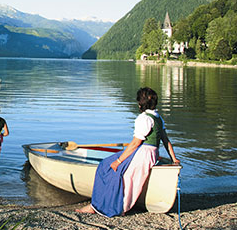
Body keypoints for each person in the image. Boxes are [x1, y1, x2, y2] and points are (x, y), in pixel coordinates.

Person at [76, 87, 180, 216]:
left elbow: (135, 143)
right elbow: (166, 141)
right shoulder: (158, 118)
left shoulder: (144, 119)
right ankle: (106, 204)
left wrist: (118, 161)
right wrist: (174, 159)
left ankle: (105, 206)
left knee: (107, 168)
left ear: (140, 103)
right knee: (113, 168)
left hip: (142, 153)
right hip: (152, 153)